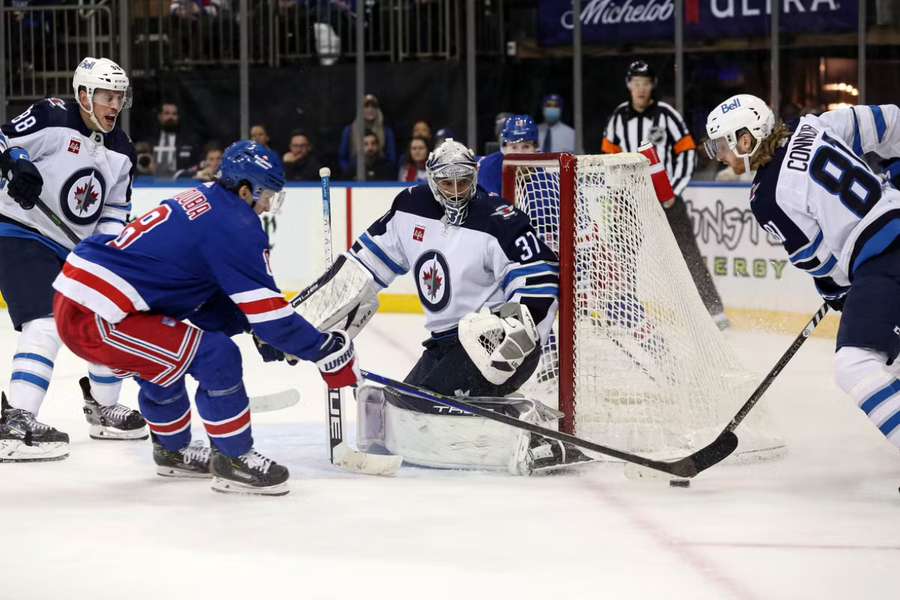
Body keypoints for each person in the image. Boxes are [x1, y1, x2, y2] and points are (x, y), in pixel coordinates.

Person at [52, 140, 361, 495]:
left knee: (165, 361)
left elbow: (207, 298)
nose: (268, 205)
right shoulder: (236, 224)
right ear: (246, 190)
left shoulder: (209, 199)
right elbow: (272, 318)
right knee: (216, 355)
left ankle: (173, 451)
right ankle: (234, 460)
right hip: (99, 315)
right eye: (267, 196)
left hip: (87, 299)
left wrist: (253, 327)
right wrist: (326, 352)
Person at [294, 140, 590, 474]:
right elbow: (361, 268)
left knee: (425, 412)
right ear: (431, 179)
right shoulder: (410, 207)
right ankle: (510, 417)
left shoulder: (500, 220)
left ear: (474, 177)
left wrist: (517, 332)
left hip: (495, 342)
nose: (455, 191)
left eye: (463, 181)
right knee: (399, 409)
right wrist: (303, 324)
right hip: (444, 344)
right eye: (446, 182)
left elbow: (538, 279)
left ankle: (541, 439)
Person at [705, 95, 900, 458]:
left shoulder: (767, 196)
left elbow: (822, 263)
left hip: (885, 260)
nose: (720, 155)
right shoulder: (815, 125)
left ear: (745, 140)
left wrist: (838, 294)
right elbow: (890, 121)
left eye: (721, 145)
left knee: (855, 364)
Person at [0, 57, 148, 462]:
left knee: (106, 314)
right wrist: (15, 162)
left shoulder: (122, 149)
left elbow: (116, 209)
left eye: (119, 97)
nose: (114, 105)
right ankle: (15, 420)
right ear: (84, 95)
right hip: (18, 231)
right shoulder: (53, 116)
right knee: (46, 322)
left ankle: (102, 408)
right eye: (106, 96)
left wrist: (107, 251)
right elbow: (2, 140)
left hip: (73, 249)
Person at [602, 60, 728, 329]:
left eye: (645, 83)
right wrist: (618, 192)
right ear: (628, 85)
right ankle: (625, 310)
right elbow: (608, 159)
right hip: (629, 202)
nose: (640, 88)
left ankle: (714, 312)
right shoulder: (617, 118)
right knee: (623, 257)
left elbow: (686, 155)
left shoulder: (668, 115)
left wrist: (673, 192)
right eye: (635, 83)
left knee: (687, 255)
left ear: (653, 85)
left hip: (668, 201)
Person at [477, 115, 539, 197]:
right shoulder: (489, 167)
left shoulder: (548, 170)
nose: (519, 153)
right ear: (504, 148)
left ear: (536, 148)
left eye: (526, 146)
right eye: (514, 147)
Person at [338, 94, 397, 176]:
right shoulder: (349, 130)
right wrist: (349, 172)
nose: (370, 109)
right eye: (366, 106)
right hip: (355, 173)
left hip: (381, 173)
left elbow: (392, 158)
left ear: (378, 109)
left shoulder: (387, 131)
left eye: (373, 106)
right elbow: (342, 157)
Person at [150, 101, 199, 178]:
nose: (171, 117)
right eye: (166, 113)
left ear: (178, 117)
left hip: (182, 184)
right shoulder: (149, 140)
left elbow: (196, 165)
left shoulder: (189, 141)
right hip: (150, 184)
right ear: (159, 116)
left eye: (174, 114)